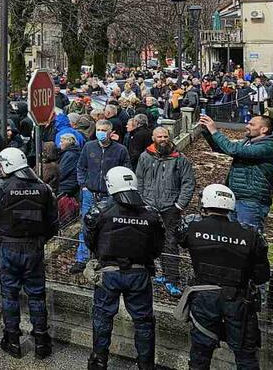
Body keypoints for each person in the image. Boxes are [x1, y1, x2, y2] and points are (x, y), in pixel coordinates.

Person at [178, 184, 270, 370]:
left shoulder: (193, 228)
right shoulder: (250, 235)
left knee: (200, 355)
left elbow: (178, 237)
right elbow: (262, 275)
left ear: (205, 203)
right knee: (245, 356)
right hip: (238, 300)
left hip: (204, 298)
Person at [83, 166, 165, 370]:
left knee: (102, 317)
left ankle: (99, 361)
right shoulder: (151, 214)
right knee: (144, 321)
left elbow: (90, 240)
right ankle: (146, 364)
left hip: (108, 273)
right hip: (139, 273)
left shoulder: (100, 211)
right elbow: (157, 247)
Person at [0, 147, 58, 359]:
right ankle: (42, 341)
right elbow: (53, 224)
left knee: (10, 295)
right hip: (33, 248)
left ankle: (13, 340)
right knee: (36, 295)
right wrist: (38, 240)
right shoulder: (43, 189)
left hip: (8, 248)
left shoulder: (0, 188)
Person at [135, 125, 195, 296]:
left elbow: (188, 183)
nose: (163, 139)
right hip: (149, 205)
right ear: (153, 138)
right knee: (149, 241)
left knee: (170, 242)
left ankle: (172, 278)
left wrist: (179, 205)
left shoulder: (179, 158)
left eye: (165, 136)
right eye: (159, 137)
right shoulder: (145, 157)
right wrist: (141, 201)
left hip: (170, 207)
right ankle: (151, 272)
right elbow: (139, 179)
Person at [199, 114, 273, 233]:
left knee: (248, 239)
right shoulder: (248, 142)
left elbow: (233, 150)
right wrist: (207, 131)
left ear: (264, 129)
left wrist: (214, 130)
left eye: (251, 124)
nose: (247, 126)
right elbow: (221, 148)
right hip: (234, 199)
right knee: (232, 239)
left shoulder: (270, 147)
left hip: (251, 202)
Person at [71, 119, 130, 274]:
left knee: (108, 227)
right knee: (86, 225)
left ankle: (105, 258)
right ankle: (82, 259)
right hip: (90, 193)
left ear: (111, 133)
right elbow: (81, 167)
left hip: (109, 195)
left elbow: (126, 170)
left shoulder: (121, 150)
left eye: (104, 130)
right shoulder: (89, 147)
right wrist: (83, 186)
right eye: (98, 129)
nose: (101, 132)